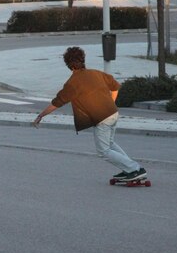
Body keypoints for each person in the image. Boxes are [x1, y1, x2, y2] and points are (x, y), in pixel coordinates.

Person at [33, 47, 146, 181]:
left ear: (68, 64)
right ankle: (130, 169)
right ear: (83, 60)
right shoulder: (96, 73)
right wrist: (110, 103)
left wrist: (41, 115)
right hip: (113, 113)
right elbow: (115, 87)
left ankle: (134, 169)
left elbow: (56, 103)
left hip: (102, 119)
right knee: (110, 145)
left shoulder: (72, 83)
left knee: (103, 151)